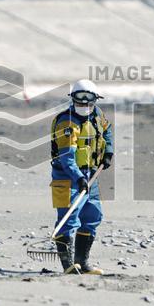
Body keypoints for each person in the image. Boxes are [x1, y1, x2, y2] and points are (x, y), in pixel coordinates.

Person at [49, 79, 113, 274]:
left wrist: (108, 151)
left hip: (90, 175)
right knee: (68, 220)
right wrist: (78, 178)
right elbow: (67, 158)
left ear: (95, 100)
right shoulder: (66, 122)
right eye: (79, 99)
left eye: (88, 99)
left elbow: (107, 130)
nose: (84, 104)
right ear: (72, 99)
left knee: (93, 216)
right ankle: (68, 265)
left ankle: (82, 263)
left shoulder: (97, 116)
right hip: (68, 179)